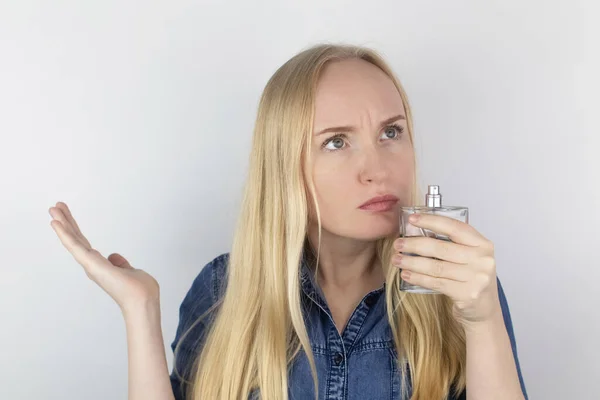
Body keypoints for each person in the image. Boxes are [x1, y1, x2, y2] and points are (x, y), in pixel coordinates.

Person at [49, 42, 528, 400]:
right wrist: (141, 311)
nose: (378, 168)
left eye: (391, 131)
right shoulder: (222, 290)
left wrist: (483, 319)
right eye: (336, 141)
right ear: (284, 165)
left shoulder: (460, 289)